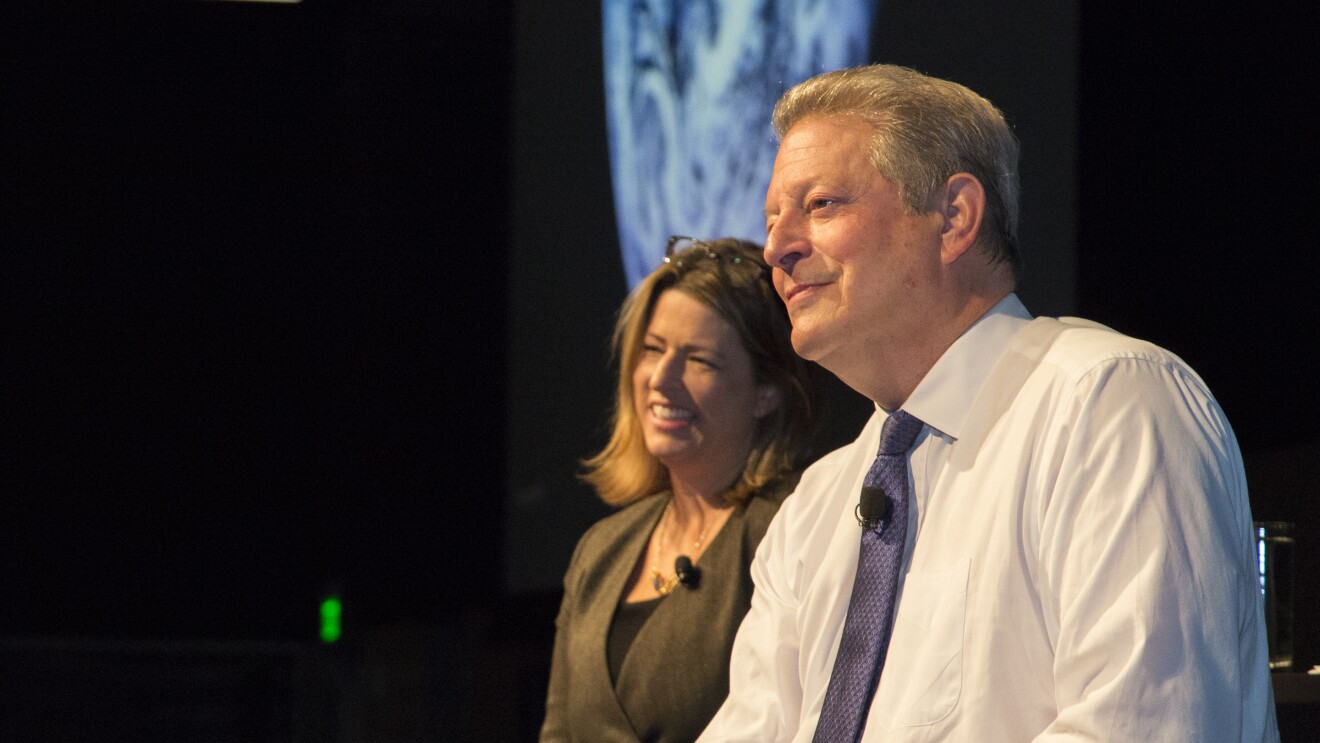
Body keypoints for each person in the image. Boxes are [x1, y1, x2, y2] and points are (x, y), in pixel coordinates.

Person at [699, 64, 1278, 741]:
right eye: (772, 219)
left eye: (821, 204)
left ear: (954, 217)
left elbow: (1143, 724)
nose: (776, 248)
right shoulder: (816, 508)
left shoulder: (1110, 404)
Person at [540, 237, 822, 743]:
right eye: (653, 350)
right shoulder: (600, 551)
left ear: (766, 390)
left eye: (699, 361)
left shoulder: (791, 530)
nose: (661, 380)